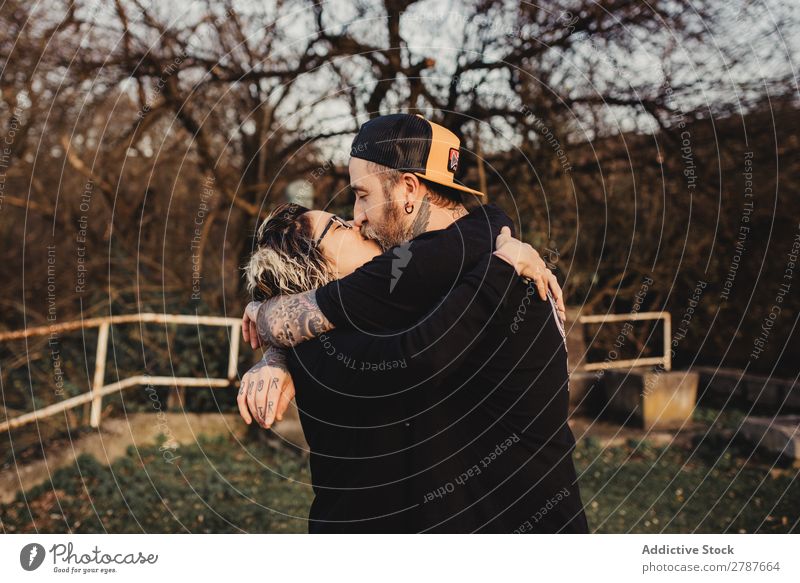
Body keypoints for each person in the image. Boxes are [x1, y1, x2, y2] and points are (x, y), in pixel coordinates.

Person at [240, 113, 589, 533]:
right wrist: (275, 340)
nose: (357, 217)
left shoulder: (494, 279)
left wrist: (274, 327)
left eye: (362, 195)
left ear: (407, 188)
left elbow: (416, 349)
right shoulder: (462, 272)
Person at [242, 203, 547, 532]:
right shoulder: (325, 351)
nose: (357, 222)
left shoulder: (367, 317)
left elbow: (461, 242)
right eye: (339, 226)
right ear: (310, 265)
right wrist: (502, 266)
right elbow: (422, 352)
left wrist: (270, 325)